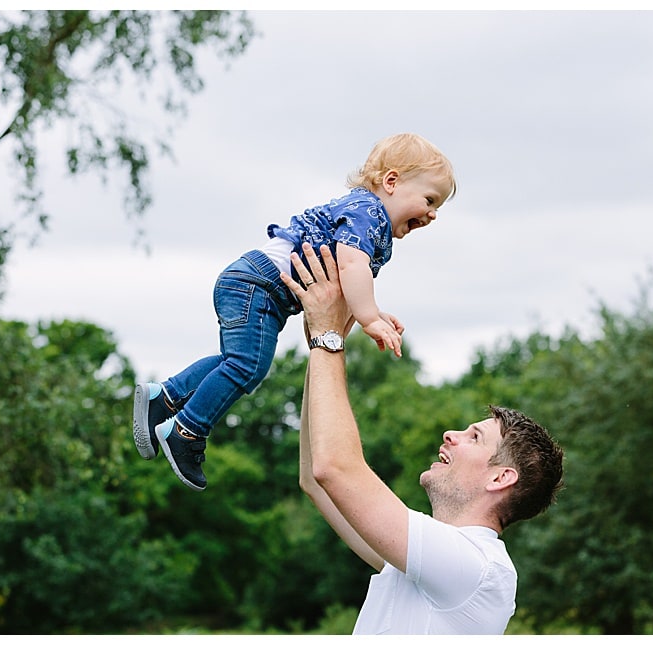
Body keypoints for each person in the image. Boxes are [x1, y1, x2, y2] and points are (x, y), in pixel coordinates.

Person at [133, 133, 457, 491]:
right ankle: (186, 431)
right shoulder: (367, 213)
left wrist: (368, 314)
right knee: (247, 366)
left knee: (241, 363)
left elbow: (346, 286)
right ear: (391, 182)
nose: (432, 214)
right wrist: (371, 318)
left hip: (257, 286)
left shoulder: (371, 226)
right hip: (257, 284)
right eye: (429, 200)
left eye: (437, 207)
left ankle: (162, 398)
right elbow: (351, 268)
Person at [280, 243, 565, 635]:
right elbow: (316, 479)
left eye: (474, 436)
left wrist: (328, 336)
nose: (451, 434)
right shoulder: (420, 565)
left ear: (500, 478)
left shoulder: (479, 568)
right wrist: (320, 339)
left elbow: (335, 470)